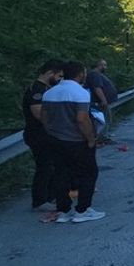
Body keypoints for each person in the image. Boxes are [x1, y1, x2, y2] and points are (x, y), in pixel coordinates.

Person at [42, 61, 104, 223]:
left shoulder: (49, 93)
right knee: (88, 173)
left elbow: (44, 117)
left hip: (55, 141)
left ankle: (63, 210)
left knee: (61, 174)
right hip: (77, 141)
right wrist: (90, 139)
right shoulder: (80, 93)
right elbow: (82, 119)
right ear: (80, 74)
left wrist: (52, 133)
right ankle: (82, 210)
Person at [22, 59, 64, 209]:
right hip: (38, 135)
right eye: (58, 76)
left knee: (52, 165)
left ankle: (51, 196)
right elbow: (38, 113)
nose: (60, 80)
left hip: (47, 134)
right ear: (49, 73)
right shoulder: (37, 89)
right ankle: (39, 201)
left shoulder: (46, 88)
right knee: (45, 167)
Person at [85, 59, 118, 139]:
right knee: (104, 120)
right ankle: (100, 138)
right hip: (99, 103)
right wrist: (103, 100)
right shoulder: (94, 74)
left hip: (102, 102)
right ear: (99, 65)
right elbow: (97, 87)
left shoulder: (97, 74)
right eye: (104, 65)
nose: (105, 67)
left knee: (107, 119)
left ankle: (102, 137)